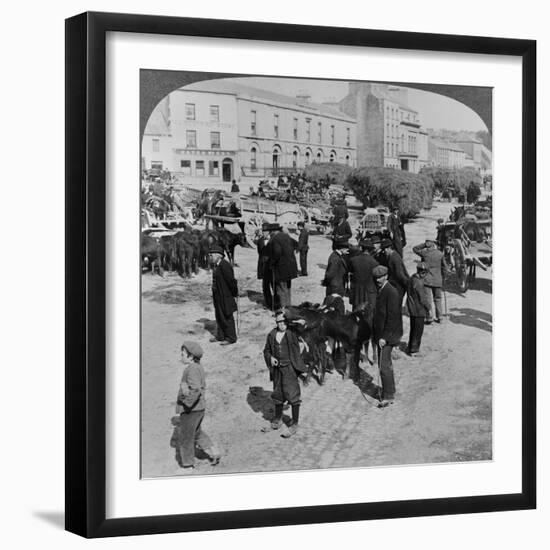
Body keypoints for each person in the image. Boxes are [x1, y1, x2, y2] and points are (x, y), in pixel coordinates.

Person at [175, 341, 221, 469]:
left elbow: (195, 389)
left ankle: (188, 464)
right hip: (199, 408)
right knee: (196, 432)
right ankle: (213, 450)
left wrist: (186, 403)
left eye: (183, 353)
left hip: (191, 409)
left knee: (186, 437)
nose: (181, 355)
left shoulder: (192, 369)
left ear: (191, 357)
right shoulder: (198, 367)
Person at [262, 311, 308, 437]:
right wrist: (270, 357)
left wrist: (291, 318)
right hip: (277, 370)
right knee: (278, 394)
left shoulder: (292, 333)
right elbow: (266, 350)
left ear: (287, 321)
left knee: (293, 395)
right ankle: (278, 419)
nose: (281, 324)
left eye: (283, 321)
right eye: (278, 322)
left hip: (289, 369)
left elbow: (303, 323)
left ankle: (295, 423)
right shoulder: (272, 335)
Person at [372, 265, 403, 407]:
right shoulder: (383, 289)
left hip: (388, 335)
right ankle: (390, 390)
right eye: (376, 277)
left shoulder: (391, 292)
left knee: (384, 365)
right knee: (385, 364)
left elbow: (392, 317)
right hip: (383, 334)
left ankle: (388, 396)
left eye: (380, 277)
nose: (377, 280)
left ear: (386, 276)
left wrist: (384, 337)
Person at [412, 239, 447, 324]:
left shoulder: (425, 253)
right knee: (438, 299)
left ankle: (429, 317)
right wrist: (443, 278)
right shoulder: (440, 254)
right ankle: (440, 317)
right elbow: (444, 268)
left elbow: (415, 249)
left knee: (428, 299)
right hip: (438, 279)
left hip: (427, 280)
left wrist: (424, 245)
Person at [209, 245, 238, 344]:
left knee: (227, 315)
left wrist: (234, 293)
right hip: (218, 295)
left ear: (219, 255)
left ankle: (231, 338)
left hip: (225, 296)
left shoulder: (225, 265)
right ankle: (221, 336)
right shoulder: (216, 265)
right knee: (219, 315)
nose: (210, 257)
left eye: (211, 255)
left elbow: (231, 281)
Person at [269, 224, 298, 309]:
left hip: (281, 268)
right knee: (288, 288)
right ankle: (289, 307)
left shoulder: (275, 239)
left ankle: (284, 310)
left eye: (270, 232)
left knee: (281, 289)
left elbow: (277, 253)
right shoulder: (287, 236)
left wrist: (272, 262)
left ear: (273, 231)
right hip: (291, 267)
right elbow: (296, 244)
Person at [348, 238, 379, 315]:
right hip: (369, 292)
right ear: (370, 250)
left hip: (357, 292)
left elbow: (350, 274)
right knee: (367, 314)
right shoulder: (374, 263)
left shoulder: (353, 260)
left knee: (355, 313)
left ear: (361, 248)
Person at [406, 263, 431, 355]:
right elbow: (423, 299)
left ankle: (410, 346)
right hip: (419, 310)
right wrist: (429, 307)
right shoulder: (419, 283)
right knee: (418, 331)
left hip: (412, 308)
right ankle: (414, 350)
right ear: (423, 273)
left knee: (413, 329)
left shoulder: (411, 278)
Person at [381, 238, 410, 306]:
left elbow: (399, 273)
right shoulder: (392, 256)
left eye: (385, 249)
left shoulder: (394, 257)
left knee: (396, 304)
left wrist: (407, 283)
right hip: (396, 283)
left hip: (399, 285)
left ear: (389, 248)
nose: (384, 251)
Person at [253, 223, 274, 309]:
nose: (264, 233)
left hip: (272, 266)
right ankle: (268, 303)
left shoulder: (273, 240)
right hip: (263, 266)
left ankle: (276, 303)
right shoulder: (260, 241)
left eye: (266, 231)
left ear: (269, 232)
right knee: (265, 286)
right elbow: (260, 253)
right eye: (263, 231)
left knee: (274, 285)